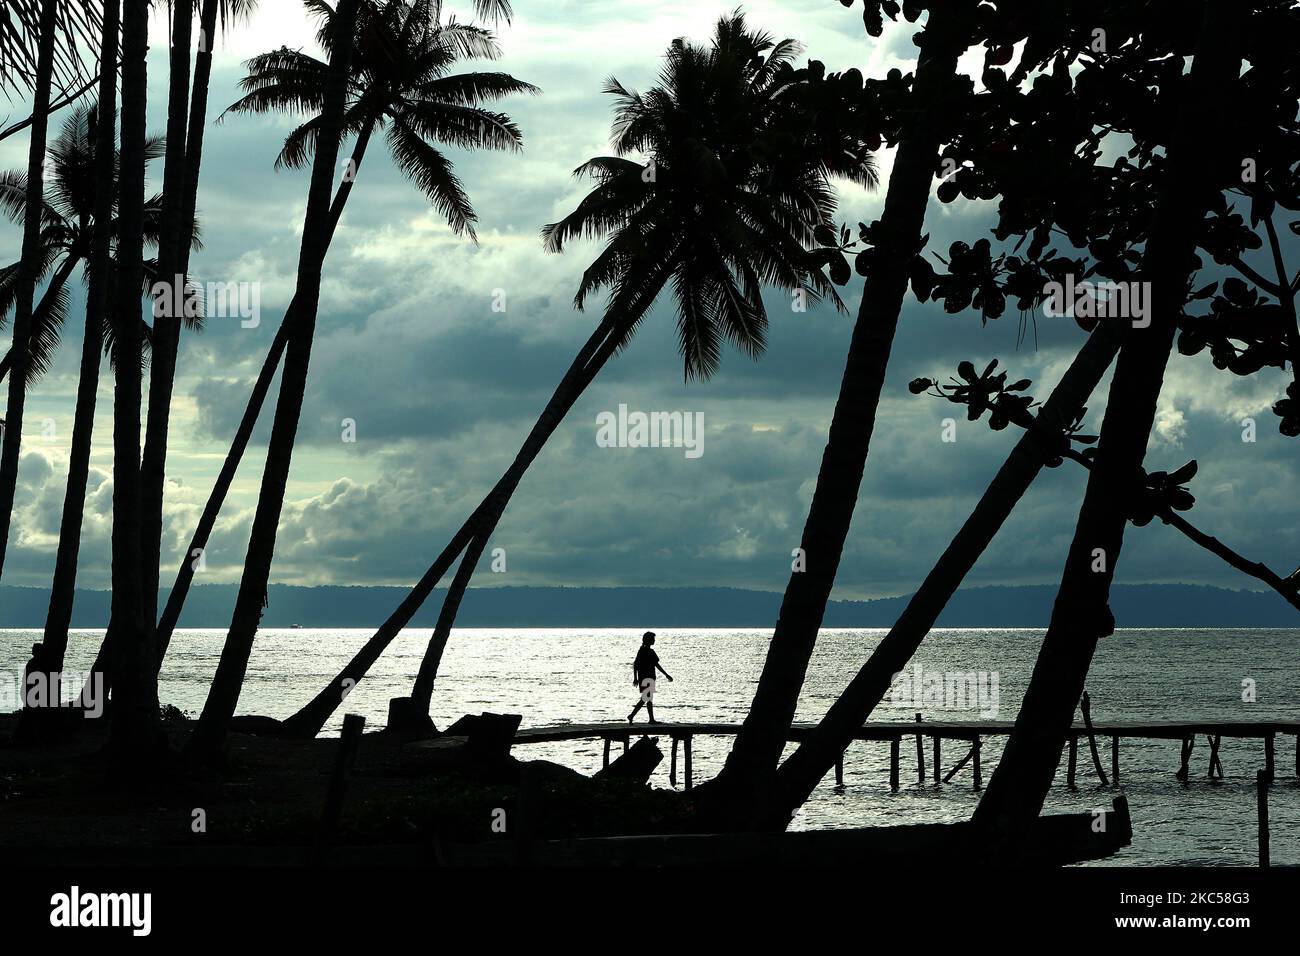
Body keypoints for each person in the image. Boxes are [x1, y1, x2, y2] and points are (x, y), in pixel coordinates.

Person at [628, 631, 672, 724]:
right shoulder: (647, 651)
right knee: (646, 698)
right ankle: (633, 715)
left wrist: (635, 678)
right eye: (653, 639)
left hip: (646, 677)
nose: (654, 641)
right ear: (648, 640)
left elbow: (636, 664)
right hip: (647, 677)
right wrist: (666, 674)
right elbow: (655, 664)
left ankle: (648, 718)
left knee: (648, 698)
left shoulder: (642, 651)